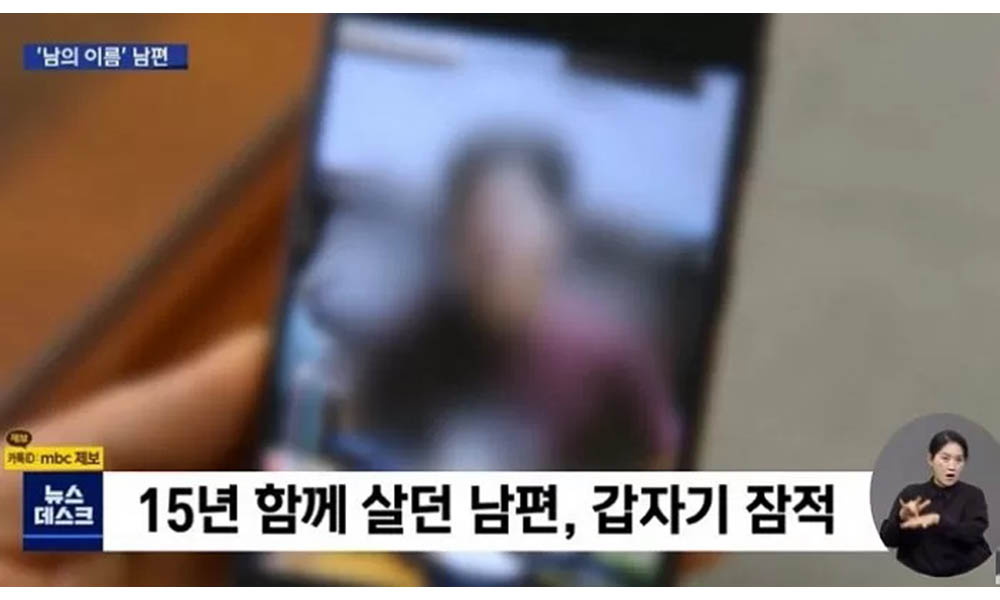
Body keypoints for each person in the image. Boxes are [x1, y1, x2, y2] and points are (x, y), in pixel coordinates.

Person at [353, 131, 682, 471]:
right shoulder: (415, 338)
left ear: (556, 230)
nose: (492, 237)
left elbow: (667, 457)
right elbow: (359, 435)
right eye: (474, 216)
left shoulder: (611, 350)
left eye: (511, 215)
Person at [879, 429, 992, 577]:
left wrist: (937, 520)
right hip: (919, 579)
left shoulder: (973, 495)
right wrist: (900, 517)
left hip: (967, 577)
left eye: (958, 460)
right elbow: (887, 540)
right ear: (930, 459)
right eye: (945, 458)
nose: (952, 466)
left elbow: (971, 534)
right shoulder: (911, 494)